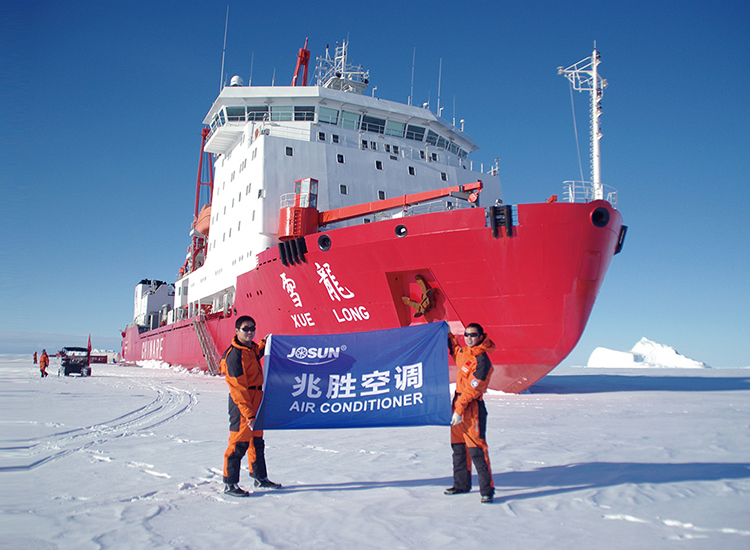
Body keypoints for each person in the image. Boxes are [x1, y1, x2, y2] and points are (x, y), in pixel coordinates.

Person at [220, 315, 281, 497]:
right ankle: (230, 484)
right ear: (236, 331)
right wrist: (249, 415)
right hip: (242, 403)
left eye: (253, 328)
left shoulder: (250, 349)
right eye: (246, 329)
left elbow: (257, 351)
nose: (250, 332)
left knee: (257, 442)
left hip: (256, 399)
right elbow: (238, 390)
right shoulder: (234, 356)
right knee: (238, 443)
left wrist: (266, 342)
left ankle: (260, 478)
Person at [445, 323, 496, 503]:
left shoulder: (482, 361)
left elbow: (472, 390)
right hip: (458, 405)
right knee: (458, 448)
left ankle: (487, 491)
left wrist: (459, 410)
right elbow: (455, 350)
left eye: (473, 335)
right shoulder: (465, 354)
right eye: (466, 334)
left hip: (471, 408)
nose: (468, 338)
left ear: (481, 337)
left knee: (477, 450)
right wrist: (447, 334)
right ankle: (461, 485)